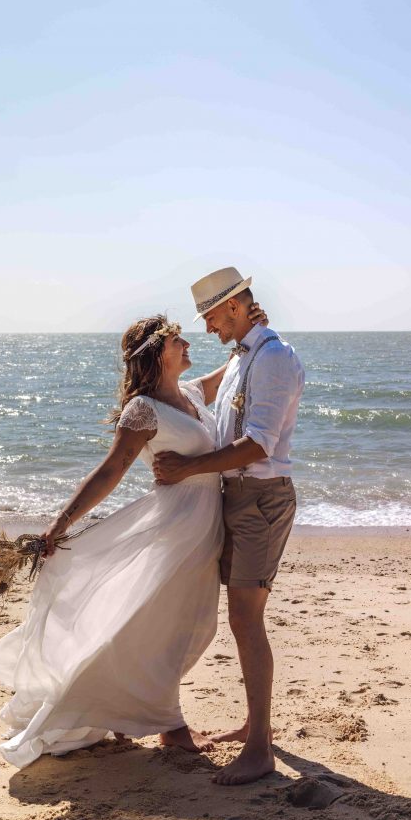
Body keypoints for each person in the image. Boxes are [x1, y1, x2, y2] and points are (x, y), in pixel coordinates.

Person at [0, 304, 267, 767]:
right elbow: (111, 471)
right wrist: (60, 525)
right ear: (158, 355)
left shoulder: (192, 394)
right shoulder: (143, 409)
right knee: (164, 627)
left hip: (202, 529)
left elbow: (236, 363)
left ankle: (138, 713)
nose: (189, 344)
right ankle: (171, 726)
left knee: (189, 625)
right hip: (175, 528)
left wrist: (254, 328)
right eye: (179, 341)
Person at [153, 267, 305, 785]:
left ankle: (260, 748)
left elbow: (259, 443)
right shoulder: (244, 356)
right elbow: (200, 397)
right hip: (235, 498)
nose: (209, 327)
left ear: (236, 307)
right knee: (242, 616)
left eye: (213, 316)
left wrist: (187, 468)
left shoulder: (275, 358)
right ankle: (253, 727)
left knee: (245, 617)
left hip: (260, 499)